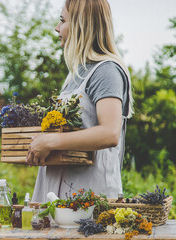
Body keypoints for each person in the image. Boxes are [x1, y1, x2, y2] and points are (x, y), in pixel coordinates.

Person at [27, 0, 133, 203]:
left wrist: (50, 141)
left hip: (89, 198)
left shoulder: (106, 71)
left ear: (81, 24)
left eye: (62, 20)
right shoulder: (75, 75)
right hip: (57, 194)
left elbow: (110, 133)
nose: (57, 28)